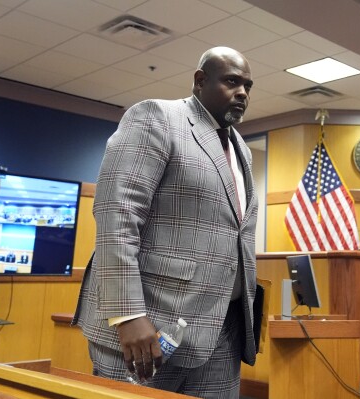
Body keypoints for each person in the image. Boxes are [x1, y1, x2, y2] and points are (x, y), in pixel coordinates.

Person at [73, 47, 258, 399]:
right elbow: (117, 217)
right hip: (149, 330)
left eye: (248, 85)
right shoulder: (156, 117)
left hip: (223, 334)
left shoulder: (241, 150)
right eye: (232, 81)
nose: (243, 93)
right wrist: (127, 315)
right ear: (200, 81)